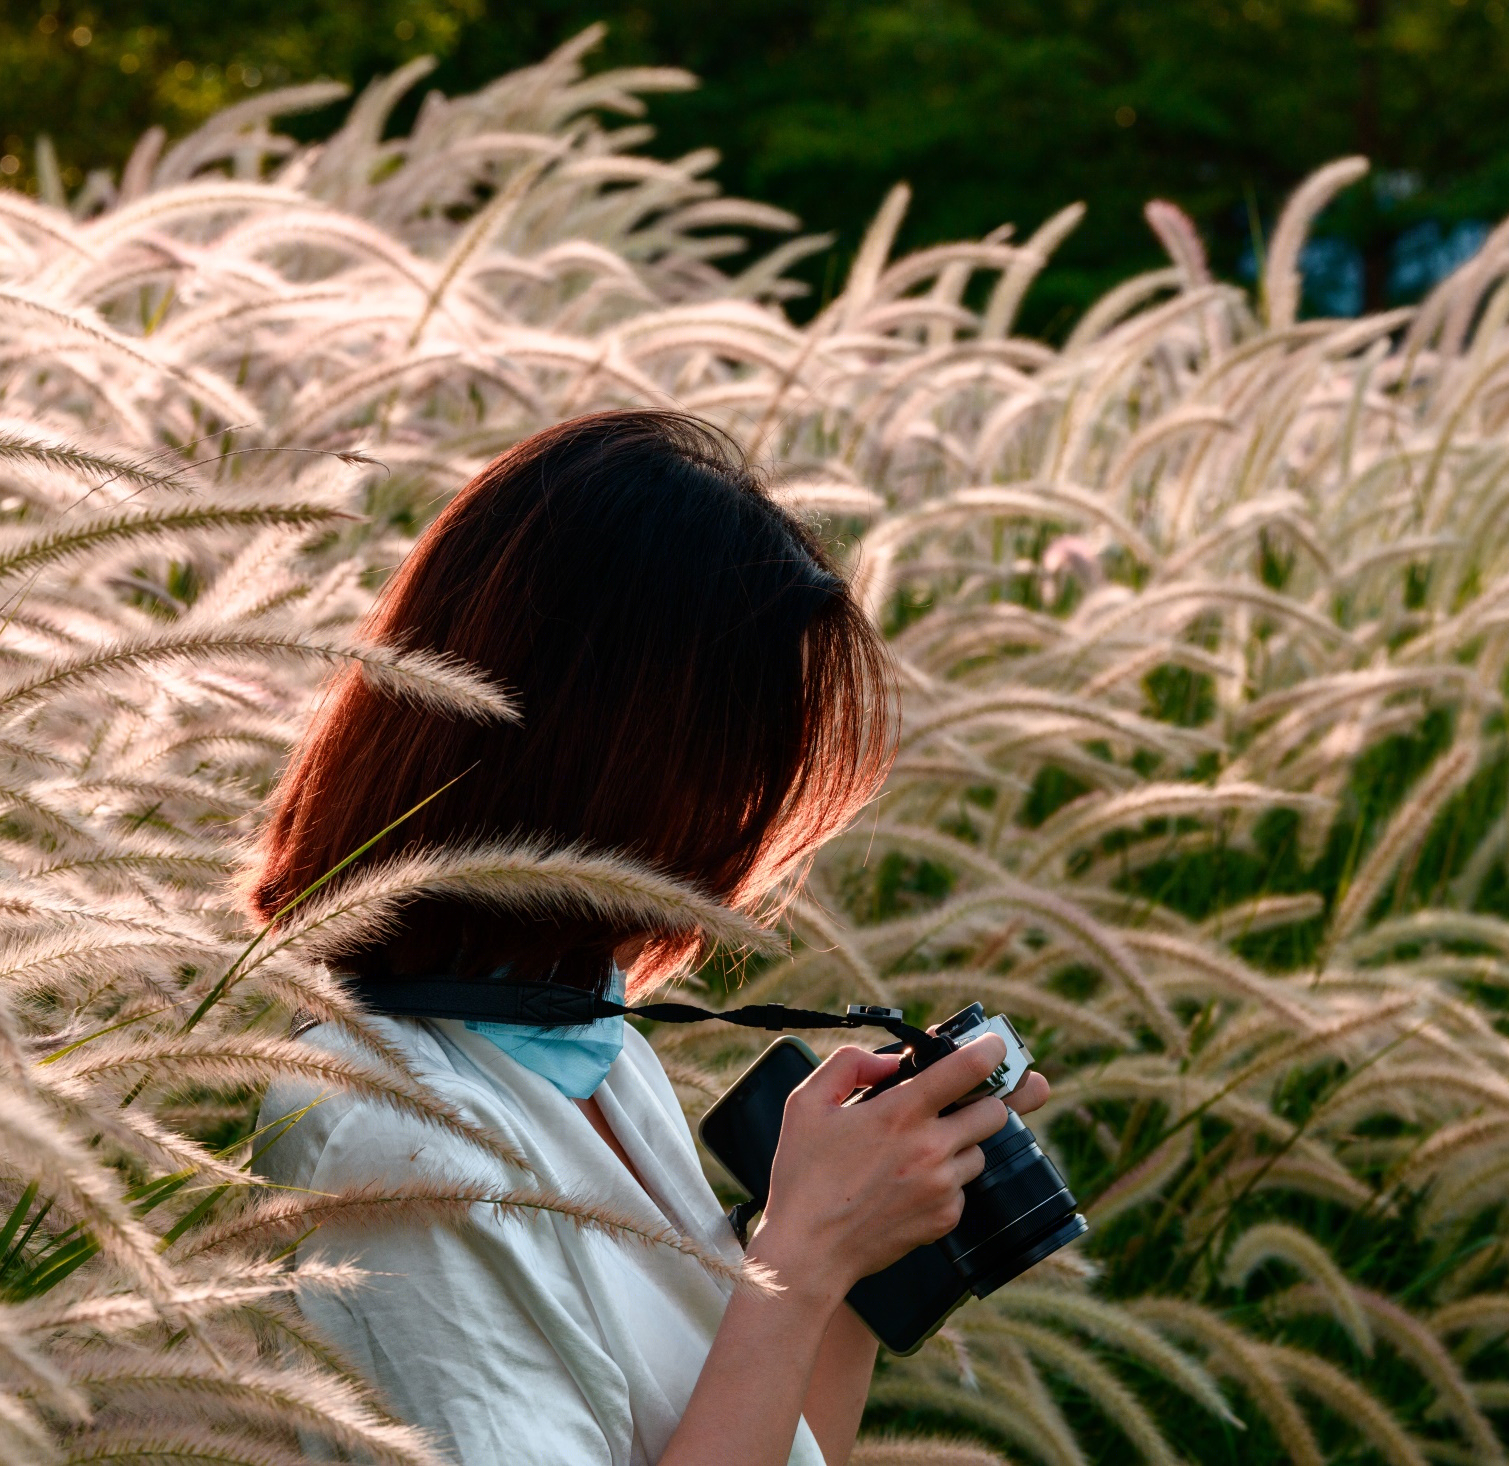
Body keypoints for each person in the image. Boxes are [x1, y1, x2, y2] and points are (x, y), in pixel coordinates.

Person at [246, 411, 1050, 1466]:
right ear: (588, 743)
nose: (754, 812)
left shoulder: (598, 1047)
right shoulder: (392, 1141)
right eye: (731, 757)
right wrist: (802, 1254)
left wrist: (864, 1242)